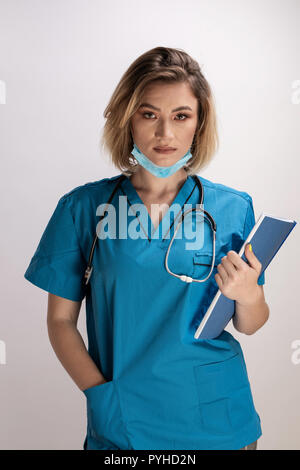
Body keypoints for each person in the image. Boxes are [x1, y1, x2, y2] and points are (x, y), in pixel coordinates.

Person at [24, 46, 269, 450]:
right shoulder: (83, 209)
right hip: (125, 422)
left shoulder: (232, 208)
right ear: (128, 119)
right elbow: (60, 322)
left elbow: (250, 322)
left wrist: (250, 294)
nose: (165, 134)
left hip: (218, 419)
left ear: (199, 123)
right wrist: (101, 396)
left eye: (181, 116)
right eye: (149, 114)